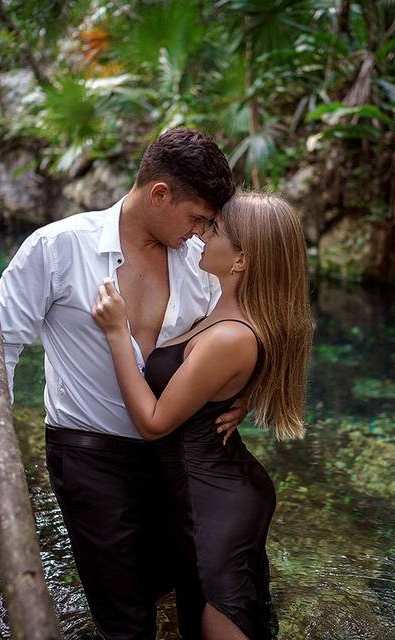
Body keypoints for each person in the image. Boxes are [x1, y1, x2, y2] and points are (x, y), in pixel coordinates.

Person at [0, 128, 247, 639]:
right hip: (87, 453)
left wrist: (243, 394)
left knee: (187, 585)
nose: (201, 231)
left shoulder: (198, 267)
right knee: (124, 618)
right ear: (160, 193)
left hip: (173, 453)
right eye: (197, 218)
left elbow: (230, 339)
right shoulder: (57, 248)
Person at [92, 191, 313, 640]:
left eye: (215, 229)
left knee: (219, 620)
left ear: (240, 262)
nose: (202, 233)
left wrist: (118, 334)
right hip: (210, 490)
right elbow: (275, 340)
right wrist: (245, 394)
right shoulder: (230, 314)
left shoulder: (230, 336)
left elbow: (153, 423)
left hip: (214, 501)